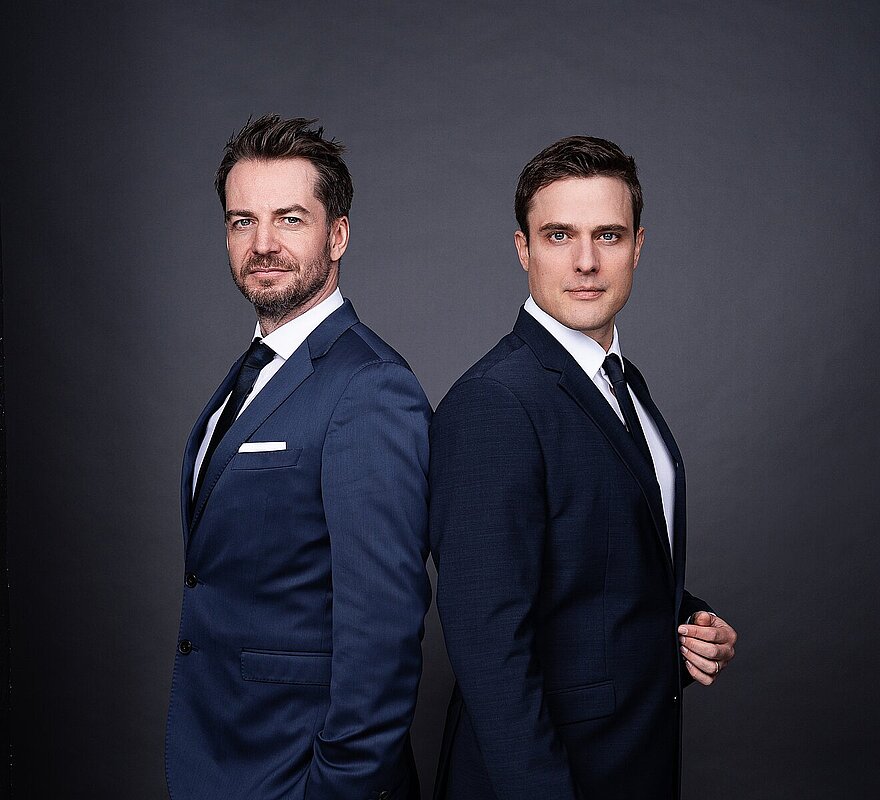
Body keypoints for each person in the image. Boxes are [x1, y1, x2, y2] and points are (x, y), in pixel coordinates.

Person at [429, 136, 738, 799]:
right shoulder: (493, 403)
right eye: (559, 235)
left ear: (638, 246)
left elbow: (594, 570)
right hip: (548, 779)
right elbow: (489, 649)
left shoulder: (622, 382)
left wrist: (686, 622)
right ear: (524, 249)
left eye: (609, 235)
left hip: (630, 761)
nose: (587, 261)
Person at [165, 115, 431, 800]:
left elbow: (382, 630)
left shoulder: (371, 387)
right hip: (223, 757)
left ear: (336, 235)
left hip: (300, 777)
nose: (263, 244)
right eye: (242, 221)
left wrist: (334, 788)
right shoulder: (250, 375)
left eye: (289, 219)